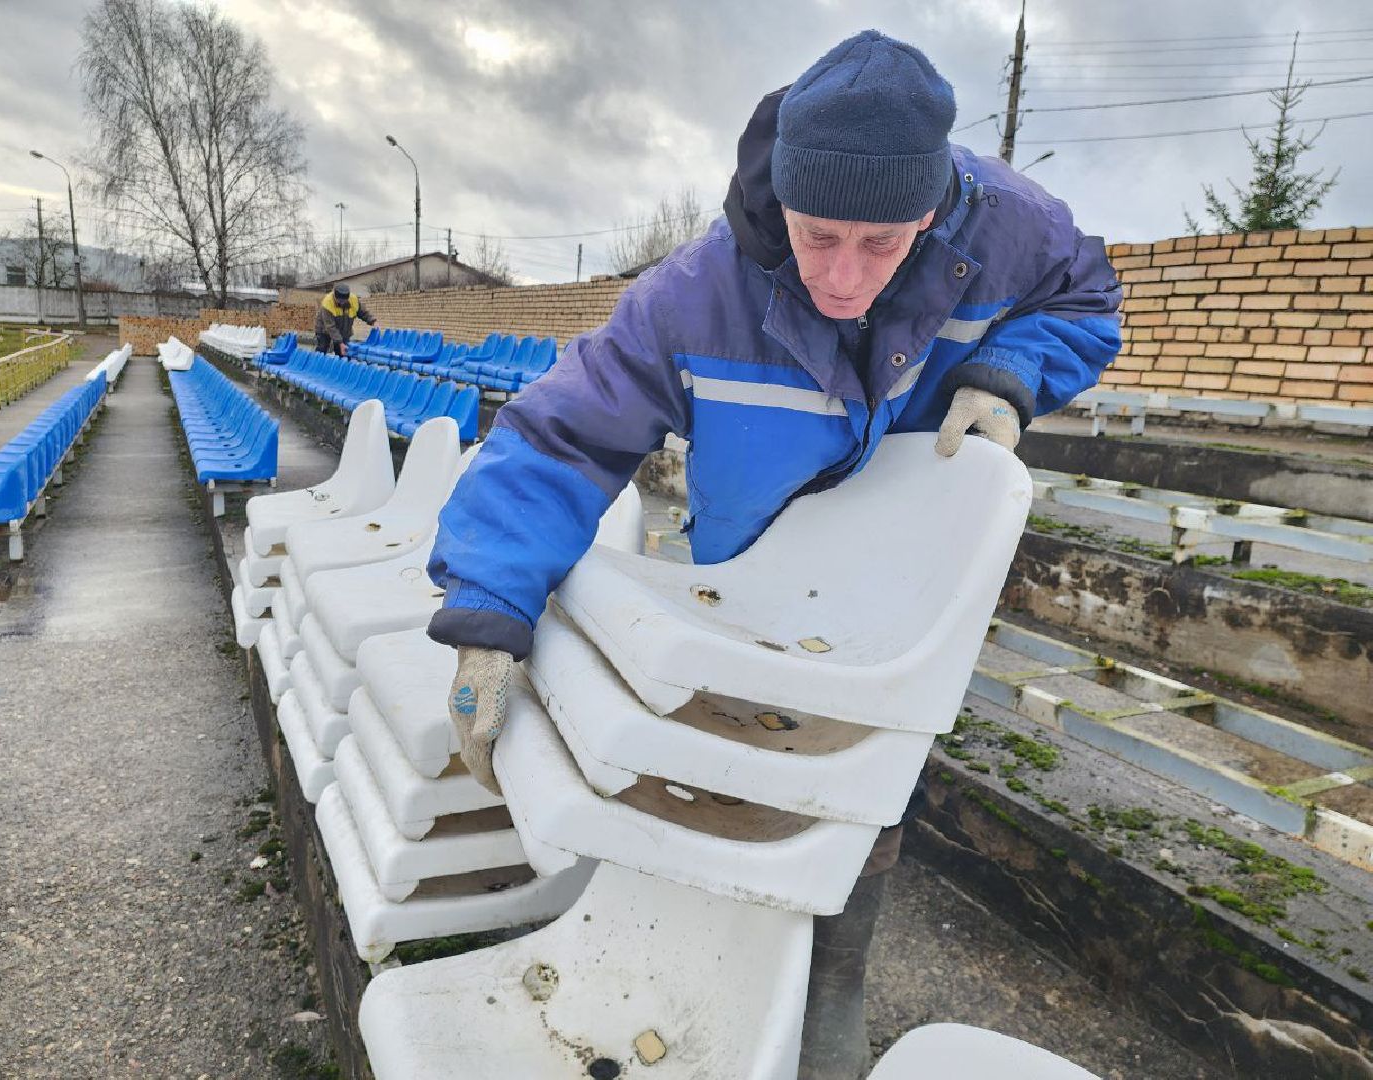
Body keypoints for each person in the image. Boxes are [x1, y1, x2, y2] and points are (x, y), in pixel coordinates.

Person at [427, 31, 1122, 1078]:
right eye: (816, 235)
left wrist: (1012, 368)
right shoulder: (698, 292)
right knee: (724, 782)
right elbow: (561, 433)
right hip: (742, 585)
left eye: (881, 244)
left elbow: (1090, 300)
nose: (844, 278)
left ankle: (833, 970)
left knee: (867, 785)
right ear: (782, 204)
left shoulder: (1011, 227)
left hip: (899, 605)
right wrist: (489, 610)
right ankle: (692, 956)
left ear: (932, 213)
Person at [314, 282, 377, 355]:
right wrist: (340, 342)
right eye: (340, 301)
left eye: (344, 301)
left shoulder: (353, 300)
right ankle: (318, 363)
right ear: (335, 296)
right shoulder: (328, 303)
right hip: (324, 328)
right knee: (322, 348)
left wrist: (373, 321)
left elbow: (363, 312)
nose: (342, 303)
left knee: (343, 352)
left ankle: (339, 364)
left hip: (343, 330)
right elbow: (331, 327)